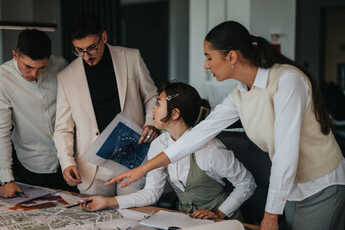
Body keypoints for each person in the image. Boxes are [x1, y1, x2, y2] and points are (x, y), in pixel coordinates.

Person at [107, 21, 345, 230]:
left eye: (209, 57)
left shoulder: (287, 81)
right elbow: (197, 135)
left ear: (231, 56)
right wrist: (142, 169)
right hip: (292, 185)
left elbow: (285, 152)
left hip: (321, 182)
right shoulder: (240, 93)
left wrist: (270, 215)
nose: (206, 65)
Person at [79, 82, 256, 220]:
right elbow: (151, 193)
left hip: (223, 222)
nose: (153, 110)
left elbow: (247, 183)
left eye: (158, 104)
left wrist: (219, 213)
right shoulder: (159, 145)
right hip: (187, 221)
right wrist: (108, 202)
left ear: (175, 113)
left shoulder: (210, 149)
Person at [53, 13, 158, 196]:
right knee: (96, 223)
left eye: (92, 48)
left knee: (133, 218)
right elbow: (63, 128)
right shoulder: (66, 77)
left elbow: (151, 97)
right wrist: (67, 162)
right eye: (79, 50)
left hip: (132, 156)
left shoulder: (131, 57)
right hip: (92, 167)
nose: (86, 56)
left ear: (104, 37)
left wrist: (151, 122)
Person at [0, 29, 70, 198]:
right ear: (15, 55)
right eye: (28, 67)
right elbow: (0, 131)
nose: (34, 74)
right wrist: (6, 179)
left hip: (71, 161)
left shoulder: (61, 65)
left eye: (41, 68)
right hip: (33, 165)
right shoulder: (0, 79)